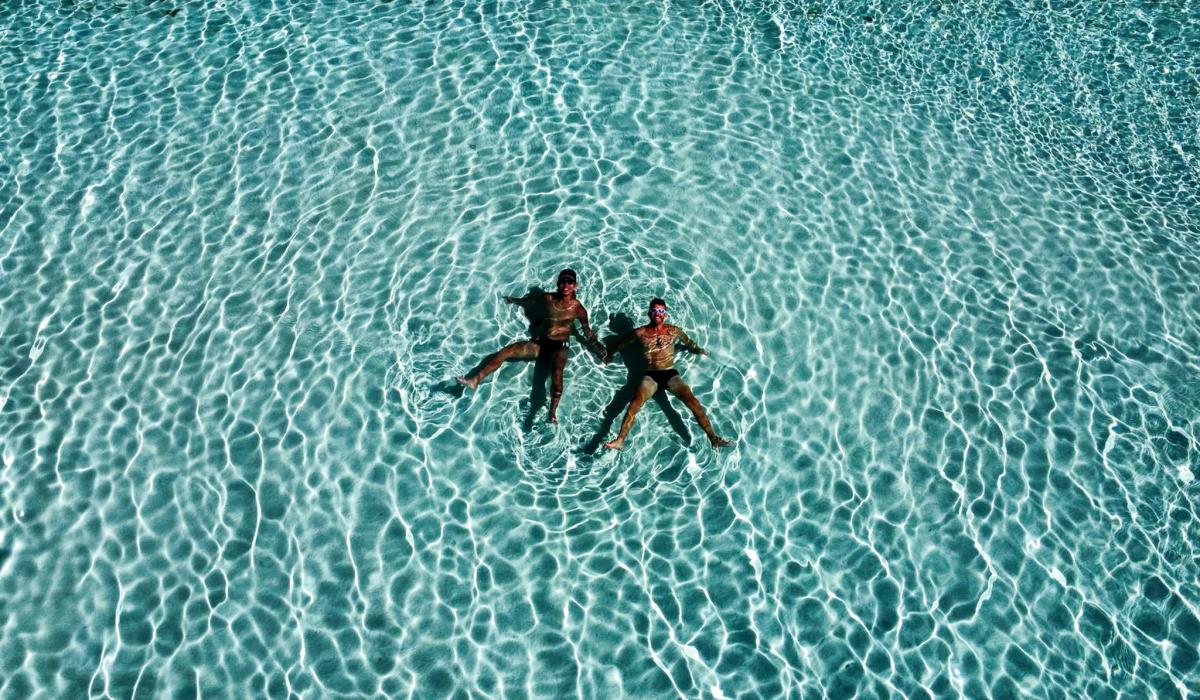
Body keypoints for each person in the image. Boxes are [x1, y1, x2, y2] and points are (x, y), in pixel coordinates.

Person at [457, 269, 605, 423]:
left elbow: (587, 332)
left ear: (575, 285)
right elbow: (530, 301)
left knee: (557, 375)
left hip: (560, 346)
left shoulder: (578, 309)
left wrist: (598, 349)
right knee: (506, 351)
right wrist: (514, 300)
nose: (565, 285)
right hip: (541, 344)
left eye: (570, 282)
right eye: (562, 281)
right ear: (557, 283)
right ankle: (475, 379)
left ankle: (552, 412)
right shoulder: (547, 298)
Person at [603, 298, 731, 449]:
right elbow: (622, 344)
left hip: (670, 374)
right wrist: (609, 353)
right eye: (654, 310)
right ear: (649, 313)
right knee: (634, 404)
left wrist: (698, 350)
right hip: (650, 376)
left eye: (661, 311)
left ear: (665, 314)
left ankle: (714, 439)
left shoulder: (673, 331)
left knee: (693, 402)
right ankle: (620, 440)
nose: (657, 313)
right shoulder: (640, 333)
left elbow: (688, 343)